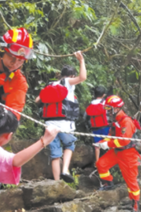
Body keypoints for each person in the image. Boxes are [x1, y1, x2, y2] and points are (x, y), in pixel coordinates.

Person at [35, 51, 86, 183]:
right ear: (71, 75)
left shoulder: (50, 85)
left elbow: (37, 101)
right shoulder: (68, 81)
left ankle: (57, 182)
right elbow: (82, 78)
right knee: (69, 145)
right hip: (64, 123)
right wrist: (81, 60)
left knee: (55, 154)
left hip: (49, 124)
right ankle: (65, 170)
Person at [94, 95, 141, 212]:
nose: (108, 111)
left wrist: (108, 144)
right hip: (117, 151)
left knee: (131, 181)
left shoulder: (126, 122)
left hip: (128, 154)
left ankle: (135, 205)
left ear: (116, 108)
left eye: (109, 109)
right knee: (101, 164)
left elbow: (124, 140)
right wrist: (102, 142)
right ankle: (108, 184)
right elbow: (111, 135)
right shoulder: (116, 121)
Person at [85, 86, 110, 164]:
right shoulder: (105, 104)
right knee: (108, 143)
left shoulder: (90, 105)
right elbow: (109, 113)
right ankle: (109, 161)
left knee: (97, 146)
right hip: (105, 126)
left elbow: (86, 117)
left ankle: (97, 161)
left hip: (95, 128)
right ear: (103, 95)